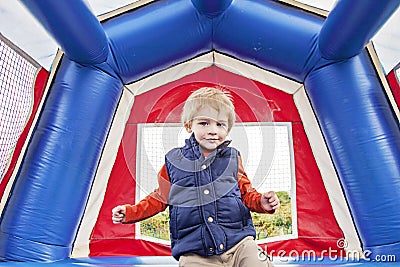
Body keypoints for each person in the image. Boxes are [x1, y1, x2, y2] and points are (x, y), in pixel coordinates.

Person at [112, 87, 280, 266]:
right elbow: (159, 198)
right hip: (195, 252)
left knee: (257, 260)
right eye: (204, 123)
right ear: (188, 125)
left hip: (238, 244)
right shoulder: (174, 161)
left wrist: (262, 202)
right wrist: (131, 212)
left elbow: (247, 194)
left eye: (220, 124)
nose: (213, 130)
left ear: (228, 128)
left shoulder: (232, 158)